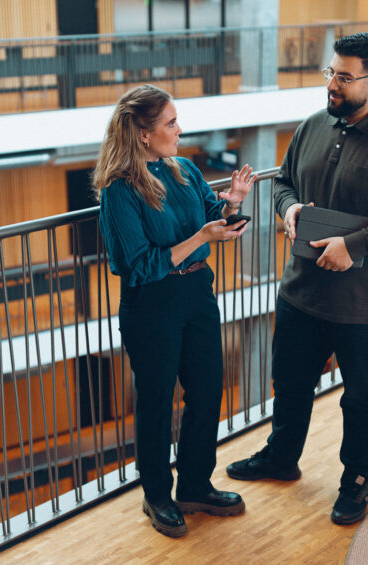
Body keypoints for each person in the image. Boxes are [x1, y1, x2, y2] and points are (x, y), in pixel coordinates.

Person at [226, 32, 368, 525]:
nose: (333, 85)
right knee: (291, 382)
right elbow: (283, 182)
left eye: (344, 77)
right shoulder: (314, 125)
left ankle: (356, 482)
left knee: (362, 395)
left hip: (364, 303)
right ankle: (282, 458)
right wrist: (290, 207)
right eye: (330, 73)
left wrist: (354, 246)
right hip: (301, 290)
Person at [94, 84, 256, 537]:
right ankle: (158, 496)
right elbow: (140, 266)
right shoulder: (119, 191)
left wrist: (233, 204)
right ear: (144, 134)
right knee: (157, 402)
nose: (179, 130)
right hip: (152, 305)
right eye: (170, 123)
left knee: (207, 390)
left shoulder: (183, 169)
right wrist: (203, 237)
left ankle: (196, 485)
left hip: (197, 295)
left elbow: (209, 212)